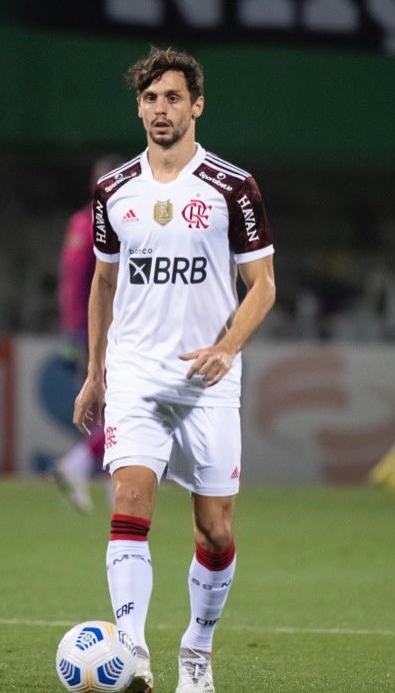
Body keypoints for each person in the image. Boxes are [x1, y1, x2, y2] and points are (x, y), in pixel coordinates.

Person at [73, 46, 276, 693]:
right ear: (139, 107)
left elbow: (264, 284)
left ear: (196, 105)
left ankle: (198, 644)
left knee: (215, 530)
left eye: (172, 98)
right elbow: (103, 283)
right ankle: (129, 651)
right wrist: (95, 371)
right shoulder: (114, 191)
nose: (161, 109)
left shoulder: (231, 187)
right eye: (151, 99)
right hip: (136, 371)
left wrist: (226, 348)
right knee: (130, 497)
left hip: (207, 380)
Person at [53, 156, 126, 512]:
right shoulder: (85, 224)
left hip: (124, 331)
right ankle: (78, 465)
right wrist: (75, 334)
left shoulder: (128, 222)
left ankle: (108, 480)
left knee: (119, 409)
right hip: (101, 334)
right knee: (122, 409)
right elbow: (73, 282)